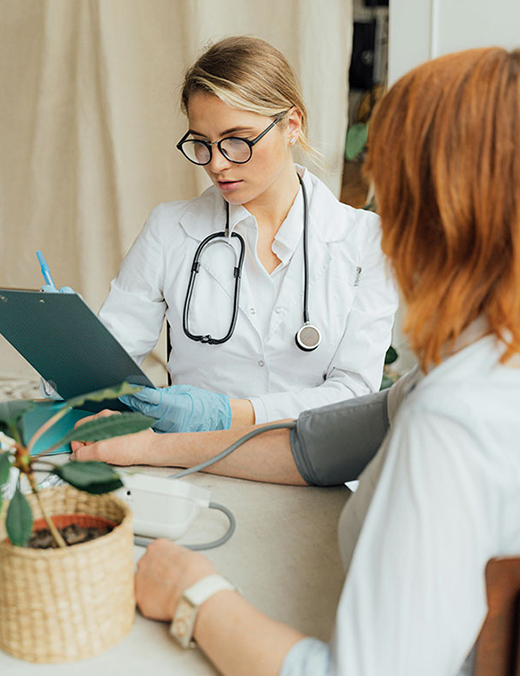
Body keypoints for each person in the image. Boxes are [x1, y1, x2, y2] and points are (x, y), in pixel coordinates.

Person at [128, 47, 520, 676]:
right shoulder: (471, 364)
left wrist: (193, 594)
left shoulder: (454, 421)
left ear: (445, 209)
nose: (378, 216)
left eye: (388, 183)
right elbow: (318, 446)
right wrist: (150, 446)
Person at [97, 36, 397, 433]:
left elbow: (353, 393)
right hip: (190, 467)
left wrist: (229, 414)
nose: (217, 163)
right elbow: (103, 367)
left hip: (307, 471)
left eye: (236, 140)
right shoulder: (170, 229)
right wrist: (73, 352)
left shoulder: (365, 240)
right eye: (201, 144)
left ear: (291, 125)